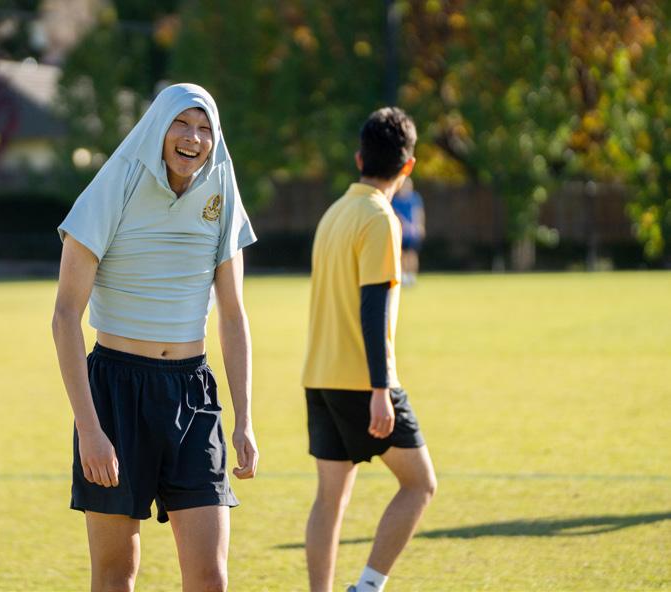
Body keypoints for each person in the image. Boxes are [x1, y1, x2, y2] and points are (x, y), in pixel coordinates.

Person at [52, 83, 258, 592]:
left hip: (192, 391)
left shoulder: (222, 184)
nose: (193, 138)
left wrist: (245, 420)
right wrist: (90, 430)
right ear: (158, 127)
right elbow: (65, 315)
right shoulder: (116, 181)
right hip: (117, 392)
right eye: (181, 124)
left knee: (210, 578)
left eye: (205, 128)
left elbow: (233, 314)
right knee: (116, 574)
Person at [301, 107, 437, 592]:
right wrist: (381, 388)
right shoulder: (380, 217)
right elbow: (373, 306)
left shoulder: (334, 213)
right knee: (420, 484)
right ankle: (367, 587)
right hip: (362, 381)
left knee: (330, 499)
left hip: (319, 376)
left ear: (360, 158)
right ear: (408, 165)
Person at [391, 178, 426, 285]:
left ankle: (412, 276)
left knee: (412, 254)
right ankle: (403, 275)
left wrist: (420, 226)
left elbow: (419, 212)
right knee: (401, 254)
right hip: (400, 231)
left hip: (412, 232)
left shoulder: (415, 198)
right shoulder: (395, 199)